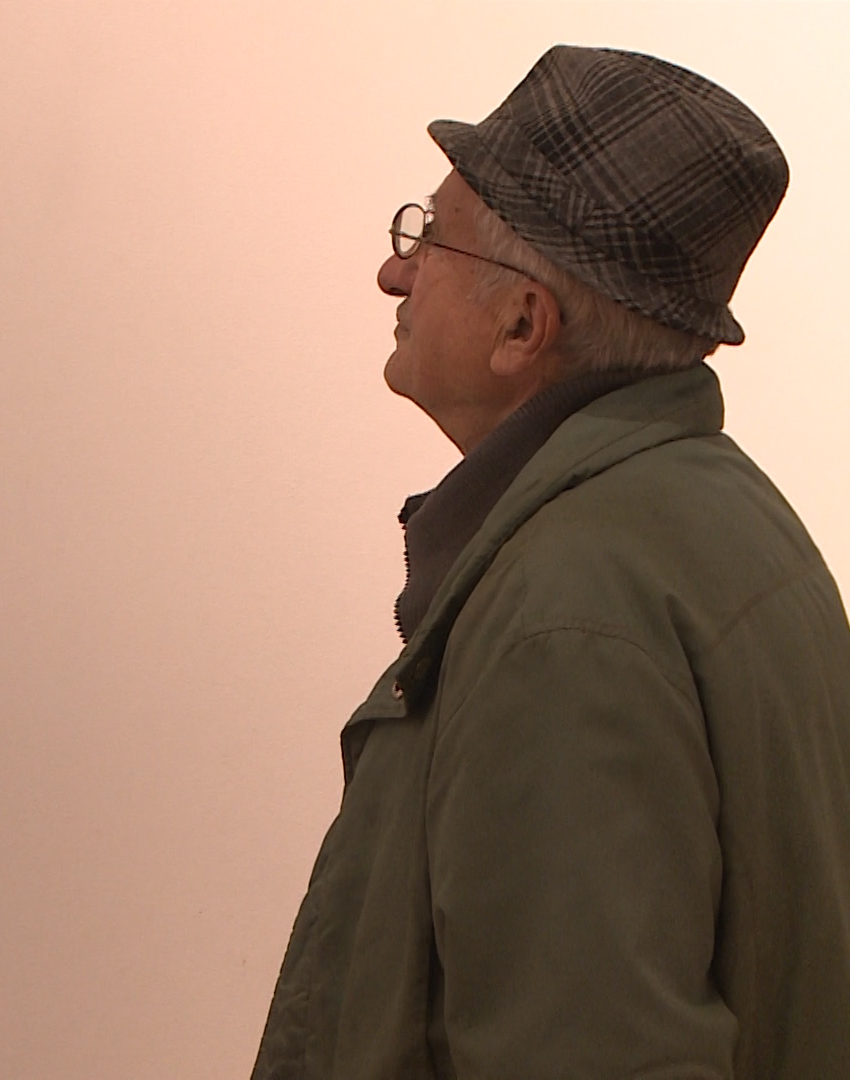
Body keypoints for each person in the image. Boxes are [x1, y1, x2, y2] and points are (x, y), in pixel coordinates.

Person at [252, 47, 850, 1077]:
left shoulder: (563, 621)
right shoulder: (729, 517)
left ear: (523, 324)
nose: (394, 271)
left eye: (429, 238)